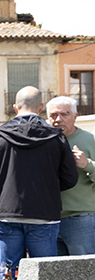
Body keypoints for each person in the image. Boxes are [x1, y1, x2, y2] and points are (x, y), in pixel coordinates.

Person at [0, 85, 76, 272]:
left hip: (6, 211)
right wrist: (48, 186)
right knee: (44, 275)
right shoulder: (56, 137)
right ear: (41, 108)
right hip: (44, 213)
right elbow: (70, 177)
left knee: (8, 273)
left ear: (15, 107)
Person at [47, 96, 95, 256]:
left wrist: (87, 164)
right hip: (49, 220)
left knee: (85, 269)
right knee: (55, 271)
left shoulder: (89, 140)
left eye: (64, 114)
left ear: (75, 116)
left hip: (81, 218)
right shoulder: (44, 141)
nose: (58, 119)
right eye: (53, 115)